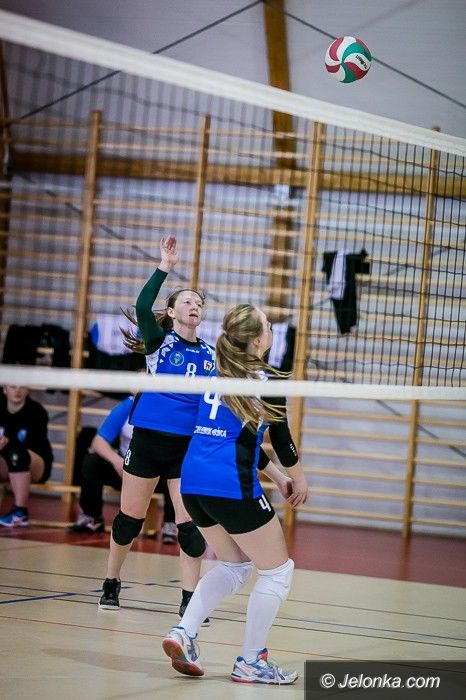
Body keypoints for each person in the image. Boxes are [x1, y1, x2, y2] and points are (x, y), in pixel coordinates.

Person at [162, 303, 308, 684]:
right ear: (257, 340)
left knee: (234, 565)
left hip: (193, 483)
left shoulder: (215, 370)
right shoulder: (267, 381)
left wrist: (276, 476)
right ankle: (251, 661)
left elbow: (239, 438)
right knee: (277, 572)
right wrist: (299, 478)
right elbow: (282, 440)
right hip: (229, 484)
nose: (272, 329)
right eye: (268, 325)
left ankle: (184, 632)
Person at [98, 235, 215, 622]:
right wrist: (165, 266)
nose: (195, 306)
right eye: (188, 301)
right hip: (148, 442)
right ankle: (111, 581)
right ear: (172, 310)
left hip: (186, 448)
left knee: (190, 528)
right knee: (129, 521)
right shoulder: (159, 343)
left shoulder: (212, 355)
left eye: (199, 303)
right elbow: (141, 307)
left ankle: (189, 599)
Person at [69, 395, 177, 540]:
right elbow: (98, 442)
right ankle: (91, 517)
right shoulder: (129, 405)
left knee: (175, 470)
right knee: (92, 461)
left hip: (158, 473)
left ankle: (171, 525)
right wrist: (117, 461)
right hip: (126, 469)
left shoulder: (170, 407)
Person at [0, 385, 53, 527]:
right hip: (6, 460)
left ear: (28, 389)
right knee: (13, 454)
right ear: (4, 388)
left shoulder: (36, 411)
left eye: (22, 387)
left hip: (35, 462)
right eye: (13, 386)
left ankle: (20, 512)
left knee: (16, 454)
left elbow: (33, 446)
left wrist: (7, 442)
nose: (17, 391)